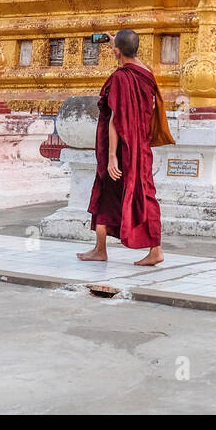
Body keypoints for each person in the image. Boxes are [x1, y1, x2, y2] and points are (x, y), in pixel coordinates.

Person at [77, 29, 174, 266]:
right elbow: (136, 62)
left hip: (121, 149)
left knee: (137, 194)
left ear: (117, 52)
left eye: (114, 49)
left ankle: (156, 250)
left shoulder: (121, 77)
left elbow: (115, 119)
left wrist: (111, 157)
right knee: (111, 194)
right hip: (140, 146)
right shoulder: (146, 74)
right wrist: (117, 44)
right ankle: (100, 248)